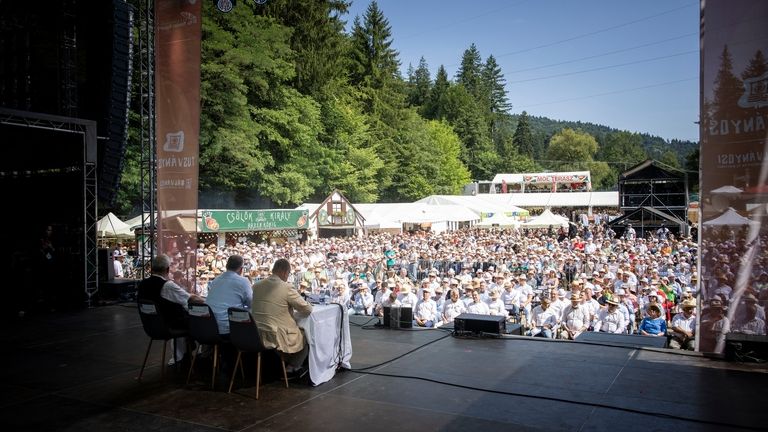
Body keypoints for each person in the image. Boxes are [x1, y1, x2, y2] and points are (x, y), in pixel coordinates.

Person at [137, 254, 204, 364]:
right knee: (201, 320)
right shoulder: (167, 286)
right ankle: (201, 356)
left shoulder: (143, 284)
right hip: (168, 326)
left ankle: (181, 356)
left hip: (151, 326)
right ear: (167, 269)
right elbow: (190, 298)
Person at [250, 258, 313, 372]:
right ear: (285, 272)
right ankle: (293, 366)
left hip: (257, 333)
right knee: (306, 336)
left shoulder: (257, 285)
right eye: (288, 274)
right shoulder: (286, 287)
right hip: (277, 334)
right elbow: (307, 309)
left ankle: (284, 362)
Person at [206, 255, 253, 336]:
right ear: (241, 269)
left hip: (209, 326)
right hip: (228, 328)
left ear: (227, 266)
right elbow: (251, 303)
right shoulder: (243, 281)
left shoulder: (216, 280)